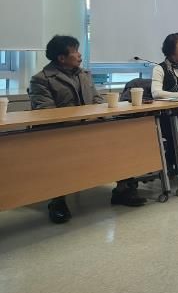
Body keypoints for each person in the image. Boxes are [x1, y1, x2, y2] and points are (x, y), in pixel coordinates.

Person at [29, 35, 146, 224]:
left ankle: (123, 190)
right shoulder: (41, 79)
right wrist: (81, 118)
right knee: (58, 152)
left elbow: (97, 99)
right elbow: (46, 113)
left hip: (92, 128)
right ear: (61, 58)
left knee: (123, 138)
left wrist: (101, 114)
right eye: (75, 51)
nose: (79, 55)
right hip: (62, 133)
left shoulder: (84, 74)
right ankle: (57, 201)